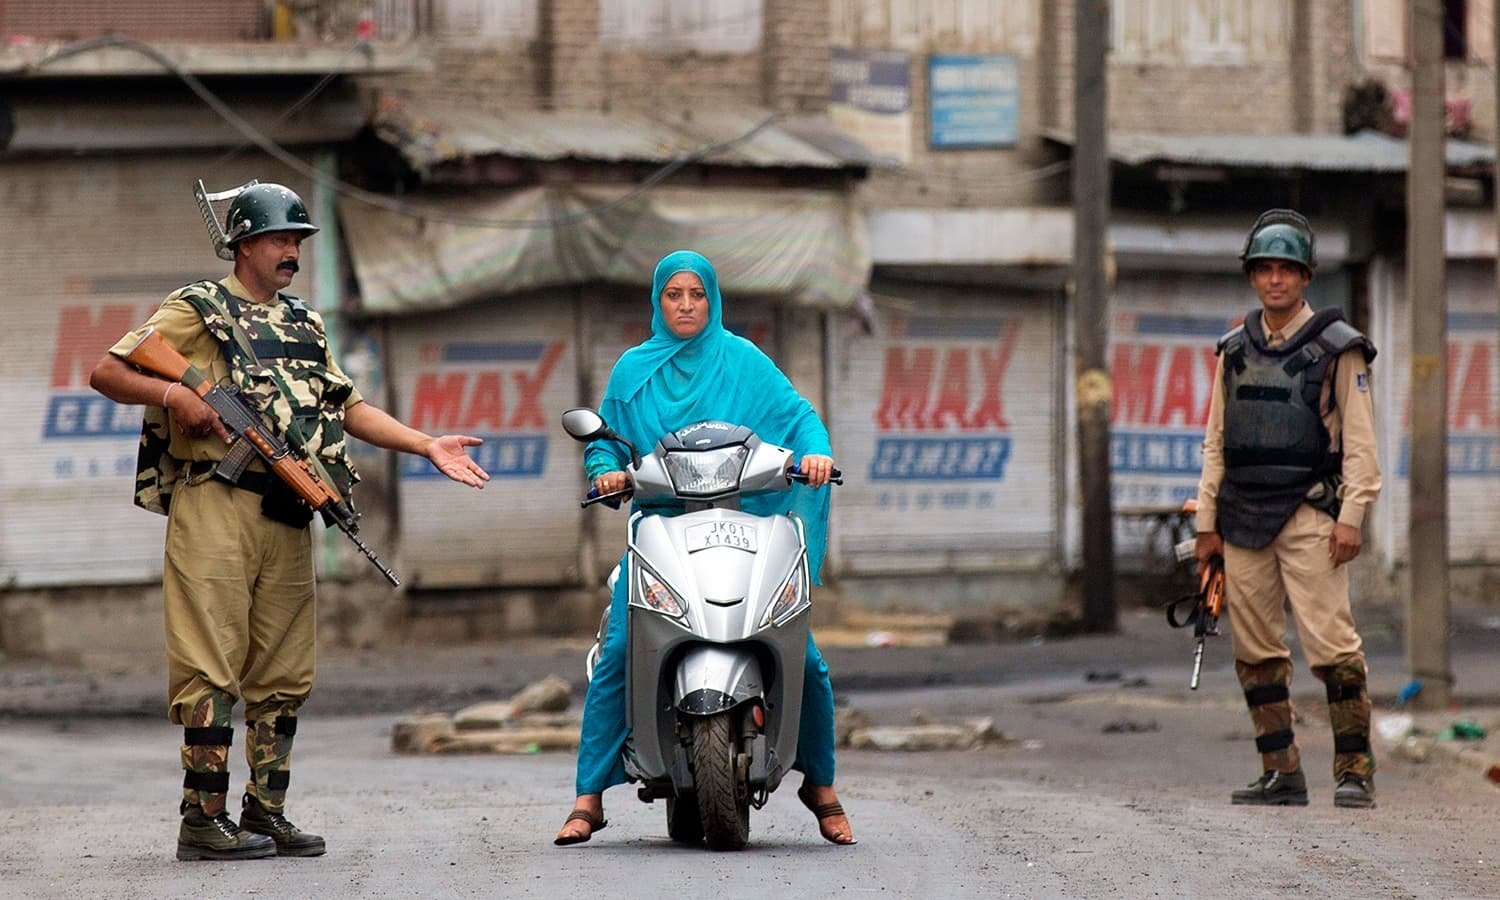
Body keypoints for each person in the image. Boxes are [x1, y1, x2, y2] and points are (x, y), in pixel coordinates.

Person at [89, 182, 491, 861]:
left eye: (298, 241)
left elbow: (348, 407)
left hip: (285, 510)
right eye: (280, 239)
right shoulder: (198, 308)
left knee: (284, 670)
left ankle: (265, 811)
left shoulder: (305, 322)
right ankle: (202, 818)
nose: (291, 253)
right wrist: (175, 394)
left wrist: (424, 443)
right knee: (209, 663)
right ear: (243, 244)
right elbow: (108, 370)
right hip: (214, 503)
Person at [552, 250, 855, 847]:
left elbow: (799, 418)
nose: (686, 305)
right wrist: (607, 471)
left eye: (696, 295)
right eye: (674, 295)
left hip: (749, 523)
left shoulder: (744, 360)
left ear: (712, 300)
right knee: (619, 650)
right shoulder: (633, 372)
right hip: (663, 528)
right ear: (658, 301)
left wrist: (814, 454)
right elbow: (605, 445)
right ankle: (588, 796)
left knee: (808, 658)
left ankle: (819, 784)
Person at [1194, 210, 1381, 809]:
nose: (1275, 281)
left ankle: (1355, 773)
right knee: (1255, 650)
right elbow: (1216, 441)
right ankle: (1282, 771)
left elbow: (1361, 442)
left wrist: (1352, 515)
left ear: (1306, 277)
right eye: (1265, 269)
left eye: (1287, 270)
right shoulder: (1232, 349)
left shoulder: (1337, 348)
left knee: (1332, 648)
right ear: (1252, 276)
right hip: (1243, 518)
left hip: (1309, 517)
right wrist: (1206, 526)